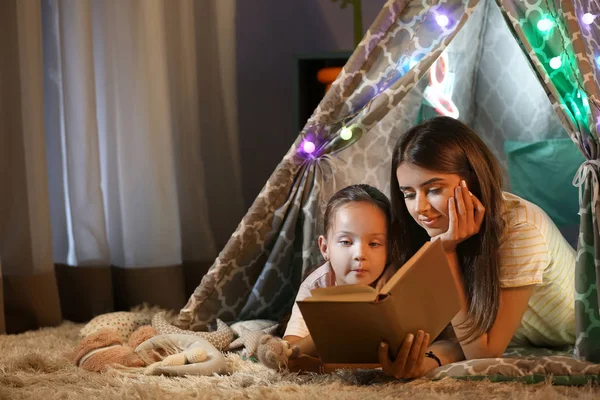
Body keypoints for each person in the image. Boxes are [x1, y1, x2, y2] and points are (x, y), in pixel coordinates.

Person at [379, 116, 576, 379]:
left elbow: (484, 355)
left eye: (434, 189)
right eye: (409, 194)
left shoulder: (521, 229)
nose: (420, 208)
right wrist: (425, 362)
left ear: (471, 181)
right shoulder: (440, 232)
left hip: (576, 335)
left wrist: (445, 254)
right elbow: (463, 335)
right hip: (522, 341)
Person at [283, 184, 396, 356]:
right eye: (346, 242)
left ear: (388, 249)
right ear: (325, 247)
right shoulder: (316, 286)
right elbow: (289, 350)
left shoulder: (396, 279)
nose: (359, 255)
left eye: (374, 244)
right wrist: (338, 327)